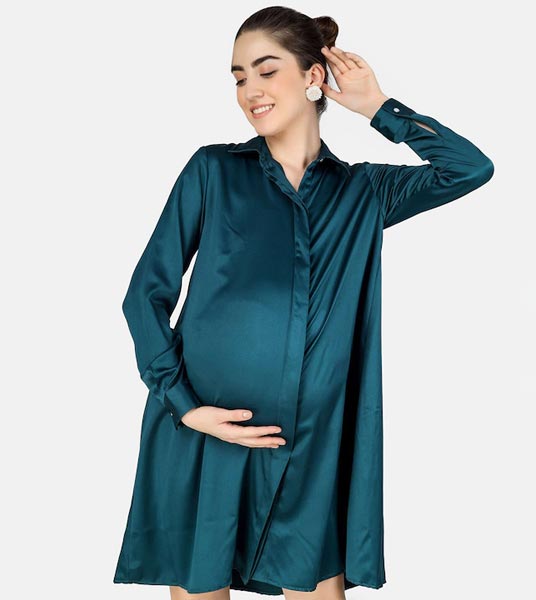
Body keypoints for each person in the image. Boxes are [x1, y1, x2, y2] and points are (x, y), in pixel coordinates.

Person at [113, 6, 494, 600]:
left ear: (314, 76)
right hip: (205, 433)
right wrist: (184, 408)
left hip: (311, 447)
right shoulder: (213, 170)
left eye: (267, 71)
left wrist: (377, 107)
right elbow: (145, 295)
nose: (250, 91)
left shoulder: (365, 191)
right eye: (239, 77)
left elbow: (469, 168)